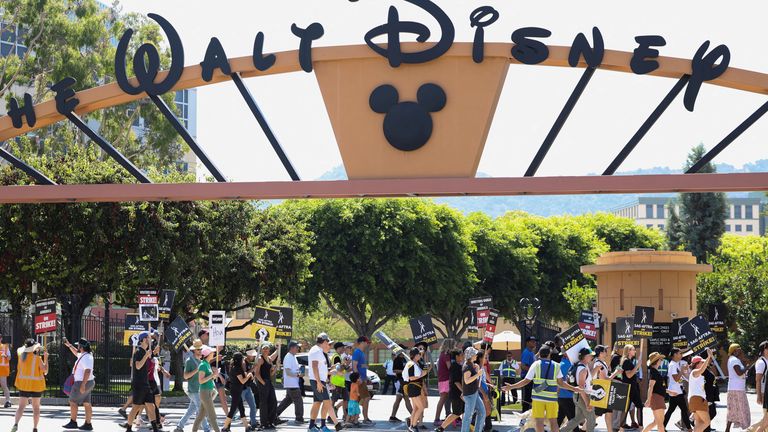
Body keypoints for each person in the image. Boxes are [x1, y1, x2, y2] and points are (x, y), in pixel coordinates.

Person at [505, 345, 585, 432]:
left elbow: (526, 381)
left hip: (538, 398)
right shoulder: (556, 366)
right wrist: (575, 389)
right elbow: (561, 383)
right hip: (552, 398)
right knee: (553, 421)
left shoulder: (535, 365)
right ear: (549, 354)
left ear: (539, 355)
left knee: (539, 420)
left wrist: (511, 386)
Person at [122, 333, 159, 432]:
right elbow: (137, 366)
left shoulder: (145, 352)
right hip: (138, 384)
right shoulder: (138, 352)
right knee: (136, 407)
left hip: (145, 383)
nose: (150, 339)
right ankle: (129, 428)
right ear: (143, 340)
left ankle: (156, 429)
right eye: (148, 338)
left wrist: (152, 355)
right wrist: (146, 356)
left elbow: (147, 365)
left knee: (151, 406)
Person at [308, 333, 344, 432]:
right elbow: (314, 367)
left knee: (317, 403)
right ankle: (336, 424)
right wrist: (319, 382)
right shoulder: (316, 351)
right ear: (324, 342)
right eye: (328, 343)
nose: (330, 345)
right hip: (317, 381)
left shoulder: (320, 352)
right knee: (327, 402)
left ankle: (313, 426)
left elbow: (322, 370)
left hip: (320, 380)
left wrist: (328, 380)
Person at [10, 339, 48, 432]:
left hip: (24, 385)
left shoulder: (21, 357)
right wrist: (46, 359)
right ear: (34, 348)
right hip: (36, 386)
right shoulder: (37, 358)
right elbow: (45, 371)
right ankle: (35, 428)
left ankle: (15, 424)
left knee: (21, 407)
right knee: (36, 407)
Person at [174, 340, 210, 432]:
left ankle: (179, 427)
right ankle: (207, 429)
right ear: (194, 350)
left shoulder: (201, 361)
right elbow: (185, 376)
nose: (200, 351)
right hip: (193, 389)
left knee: (191, 410)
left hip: (200, 389)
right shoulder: (189, 361)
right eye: (198, 349)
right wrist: (196, 370)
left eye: (201, 349)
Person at [62, 338, 96, 431]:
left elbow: (88, 371)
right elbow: (76, 353)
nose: (77, 347)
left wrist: (83, 384)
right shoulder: (85, 355)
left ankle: (73, 422)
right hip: (87, 382)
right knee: (87, 403)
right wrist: (69, 345)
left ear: (81, 347)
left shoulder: (87, 357)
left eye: (78, 345)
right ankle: (88, 424)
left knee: (73, 401)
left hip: (82, 382)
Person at [562, 347, 597, 432]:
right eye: (590, 355)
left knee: (578, 418)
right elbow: (581, 387)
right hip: (583, 396)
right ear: (585, 356)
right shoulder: (583, 369)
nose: (592, 357)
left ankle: (562, 431)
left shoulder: (579, 365)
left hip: (577, 396)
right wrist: (587, 403)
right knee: (591, 420)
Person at [192, 346, 222, 432]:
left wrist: (214, 375)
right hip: (205, 392)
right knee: (212, 416)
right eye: (212, 352)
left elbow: (208, 378)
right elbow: (201, 381)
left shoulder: (207, 364)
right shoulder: (203, 365)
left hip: (208, 391)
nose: (214, 354)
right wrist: (213, 375)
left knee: (201, 416)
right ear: (208, 354)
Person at [224, 352, 256, 432]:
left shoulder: (237, 368)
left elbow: (242, 378)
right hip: (236, 391)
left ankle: (247, 427)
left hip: (238, 390)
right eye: (242, 359)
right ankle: (225, 428)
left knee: (242, 409)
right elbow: (242, 381)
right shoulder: (236, 368)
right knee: (232, 410)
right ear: (239, 360)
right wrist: (248, 375)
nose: (243, 360)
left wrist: (248, 375)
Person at [435, 349, 465, 432]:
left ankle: (468, 428)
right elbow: (456, 381)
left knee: (464, 412)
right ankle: (441, 428)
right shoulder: (455, 367)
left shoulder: (458, 365)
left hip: (458, 393)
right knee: (456, 413)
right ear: (457, 356)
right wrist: (463, 391)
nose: (463, 356)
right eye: (461, 355)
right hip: (456, 394)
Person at [664, 348, 693, 432]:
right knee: (683, 410)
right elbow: (676, 378)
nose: (681, 355)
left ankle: (662, 426)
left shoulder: (675, 364)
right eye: (680, 353)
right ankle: (689, 428)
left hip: (677, 390)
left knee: (672, 410)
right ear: (675, 355)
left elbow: (680, 376)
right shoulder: (673, 365)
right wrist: (681, 370)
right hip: (675, 391)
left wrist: (685, 369)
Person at [592, 345, 619, 432]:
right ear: (600, 353)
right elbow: (605, 379)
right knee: (597, 414)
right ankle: (584, 428)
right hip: (601, 392)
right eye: (604, 351)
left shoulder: (600, 362)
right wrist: (616, 373)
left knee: (608, 413)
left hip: (604, 391)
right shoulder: (599, 364)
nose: (606, 353)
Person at [277, 341, 305, 424]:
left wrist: (299, 372)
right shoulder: (288, 357)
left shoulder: (292, 356)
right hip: (292, 383)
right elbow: (288, 372)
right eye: (297, 347)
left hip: (292, 383)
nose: (298, 348)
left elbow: (293, 370)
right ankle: (299, 418)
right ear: (292, 348)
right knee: (298, 401)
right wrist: (298, 375)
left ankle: (274, 414)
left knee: (287, 401)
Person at [404, 347, 431, 432]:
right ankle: (413, 425)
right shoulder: (411, 364)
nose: (420, 355)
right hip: (413, 387)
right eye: (419, 354)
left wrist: (424, 373)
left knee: (416, 408)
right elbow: (411, 377)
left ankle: (412, 425)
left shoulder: (415, 363)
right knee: (421, 407)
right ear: (415, 355)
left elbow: (423, 373)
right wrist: (421, 375)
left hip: (416, 387)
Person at [460, 347, 486, 432]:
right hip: (470, 394)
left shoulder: (470, 364)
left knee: (482, 412)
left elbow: (473, 379)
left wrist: (477, 370)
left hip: (474, 393)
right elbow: (467, 381)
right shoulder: (467, 366)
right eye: (475, 354)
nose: (476, 355)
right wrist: (478, 374)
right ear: (471, 355)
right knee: (468, 416)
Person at [726, 344, 751, 432]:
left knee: (732, 410)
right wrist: (747, 366)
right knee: (743, 410)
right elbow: (739, 372)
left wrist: (744, 363)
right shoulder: (734, 360)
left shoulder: (733, 359)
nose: (741, 351)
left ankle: (727, 430)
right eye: (739, 349)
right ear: (734, 351)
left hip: (734, 388)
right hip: (737, 389)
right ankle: (749, 429)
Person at [619, 344, 644, 430]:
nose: (635, 351)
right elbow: (629, 375)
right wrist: (637, 366)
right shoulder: (626, 361)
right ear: (629, 351)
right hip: (630, 387)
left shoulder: (628, 361)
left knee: (627, 407)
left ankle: (621, 427)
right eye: (633, 349)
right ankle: (640, 426)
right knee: (639, 406)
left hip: (630, 386)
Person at [256, 342, 281, 429]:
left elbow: (271, 374)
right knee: (264, 403)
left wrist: (276, 367)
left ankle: (270, 421)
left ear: (269, 350)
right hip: (262, 382)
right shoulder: (260, 359)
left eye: (267, 348)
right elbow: (257, 373)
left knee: (273, 401)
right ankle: (264, 423)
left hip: (268, 382)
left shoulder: (269, 359)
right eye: (264, 348)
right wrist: (262, 382)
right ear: (261, 350)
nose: (265, 350)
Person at [689, 350, 715, 432]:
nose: (703, 364)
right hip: (698, 399)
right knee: (706, 422)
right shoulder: (695, 372)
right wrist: (708, 357)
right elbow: (702, 369)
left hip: (695, 400)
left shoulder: (697, 374)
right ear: (697, 364)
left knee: (699, 422)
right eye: (701, 363)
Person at [642, 352, 667, 432]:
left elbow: (657, 387)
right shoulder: (654, 372)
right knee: (660, 423)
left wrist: (669, 392)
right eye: (660, 359)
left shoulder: (655, 371)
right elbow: (651, 386)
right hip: (657, 398)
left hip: (658, 398)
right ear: (657, 361)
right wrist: (648, 400)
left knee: (656, 422)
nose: (661, 360)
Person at [352, 336, 374, 425]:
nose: (367, 344)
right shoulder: (357, 352)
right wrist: (359, 378)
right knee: (366, 398)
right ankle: (364, 418)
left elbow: (361, 366)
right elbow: (354, 366)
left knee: (358, 400)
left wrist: (366, 377)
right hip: (359, 380)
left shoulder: (361, 353)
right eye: (366, 342)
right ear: (362, 342)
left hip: (362, 379)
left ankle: (354, 418)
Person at [749, 341, 768, 432]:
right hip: (765, 392)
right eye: (767, 348)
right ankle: (752, 429)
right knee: (766, 418)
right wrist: (759, 395)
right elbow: (758, 380)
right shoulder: (761, 362)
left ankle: (752, 429)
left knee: (766, 418)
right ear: (763, 350)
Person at [434, 340, 454, 426]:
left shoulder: (443, 354)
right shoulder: (446, 355)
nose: (455, 347)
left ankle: (443, 417)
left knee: (444, 399)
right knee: (442, 399)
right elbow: (450, 367)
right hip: (445, 379)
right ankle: (436, 419)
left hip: (442, 379)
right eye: (453, 345)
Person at [390, 350, 413, 422]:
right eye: (404, 350)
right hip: (400, 381)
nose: (405, 351)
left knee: (398, 400)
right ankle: (414, 415)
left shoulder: (404, 359)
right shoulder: (397, 359)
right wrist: (404, 371)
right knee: (406, 399)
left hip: (404, 381)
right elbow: (394, 370)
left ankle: (392, 416)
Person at [330, 342, 350, 421]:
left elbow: (343, 368)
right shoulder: (336, 357)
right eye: (342, 347)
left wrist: (346, 364)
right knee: (334, 400)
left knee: (346, 399)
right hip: (336, 382)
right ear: (338, 348)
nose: (344, 349)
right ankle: (330, 416)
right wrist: (345, 364)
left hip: (341, 382)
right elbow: (338, 369)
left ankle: (345, 416)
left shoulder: (339, 357)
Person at [558, 352, 576, 428]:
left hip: (562, 396)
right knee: (573, 420)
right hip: (568, 396)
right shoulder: (569, 365)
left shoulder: (560, 364)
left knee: (559, 419)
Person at [243, 349, 260, 429]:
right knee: (236, 407)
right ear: (248, 355)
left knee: (253, 406)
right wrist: (253, 369)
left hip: (248, 387)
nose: (253, 357)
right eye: (252, 356)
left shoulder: (249, 363)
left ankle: (253, 424)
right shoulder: (243, 363)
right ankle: (228, 422)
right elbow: (244, 374)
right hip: (242, 388)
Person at [521, 336, 537, 413]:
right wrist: (533, 372)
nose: (534, 342)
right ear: (527, 343)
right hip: (527, 377)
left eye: (535, 341)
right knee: (528, 397)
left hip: (531, 378)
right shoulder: (526, 352)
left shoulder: (531, 352)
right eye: (532, 341)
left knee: (531, 397)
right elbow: (523, 366)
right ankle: (524, 416)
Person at [0, 333, 11, 408]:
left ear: (1, 339)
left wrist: (6, 356)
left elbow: (9, 358)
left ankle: (8, 401)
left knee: (4, 385)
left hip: (2, 370)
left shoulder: (5, 347)